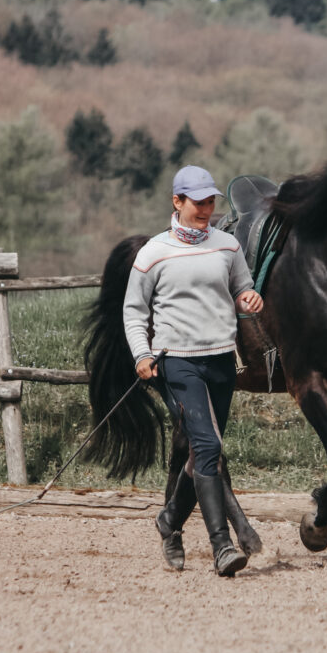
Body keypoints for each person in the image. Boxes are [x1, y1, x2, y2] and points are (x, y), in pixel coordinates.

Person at [123, 165, 264, 577]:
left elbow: (242, 288)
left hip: (222, 360)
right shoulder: (153, 253)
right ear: (177, 202)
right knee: (209, 448)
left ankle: (169, 521)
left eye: (210, 202)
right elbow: (133, 311)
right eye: (197, 202)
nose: (205, 209)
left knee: (202, 452)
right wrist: (141, 355)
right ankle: (222, 546)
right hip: (177, 363)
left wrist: (249, 299)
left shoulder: (228, 246)